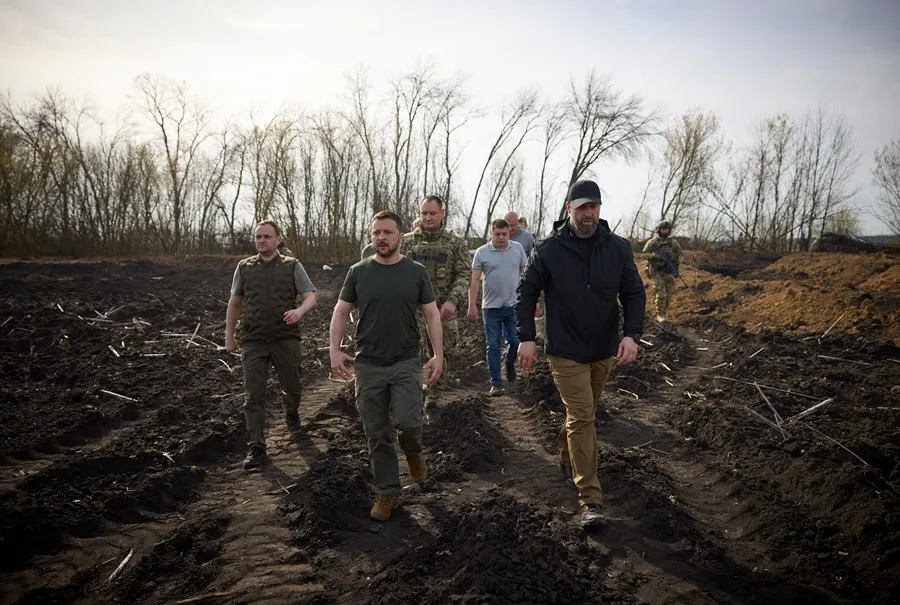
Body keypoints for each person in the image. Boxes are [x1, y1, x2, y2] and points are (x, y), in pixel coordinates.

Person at [516, 179, 645, 528]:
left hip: (603, 347)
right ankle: (591, 499)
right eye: (582, 206)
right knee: (584, 415)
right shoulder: (548, 249)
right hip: (565, 348)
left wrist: (631, 335)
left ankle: (566, 452)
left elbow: (634, 292)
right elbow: (526, 293)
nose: (588, 213)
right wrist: (526, 337)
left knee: (581, 414)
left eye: (594, 207)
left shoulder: (617, 248)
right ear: (568, 207)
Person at [330, 210, 444, 521]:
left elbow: (431, 314)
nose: (381, 238)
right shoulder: (358, 272)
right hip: (368, 364)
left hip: (405, 360)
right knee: (376, 433)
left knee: (408, 422)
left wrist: (438, 354)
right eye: (376, 233)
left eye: (388, 232)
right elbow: (340, 311)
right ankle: (388, 492)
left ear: (400, 237)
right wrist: (335, 350)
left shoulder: (416, 272)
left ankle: (414, 453)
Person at [225, 220, 317, 470]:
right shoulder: (244, 268)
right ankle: (256, 446)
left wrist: (299, 311)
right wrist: (229, 336)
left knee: (292, 386)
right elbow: (235, 303)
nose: (261, 241)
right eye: (258, 237)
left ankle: (291, 411)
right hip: (253, 340)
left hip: (285, 338)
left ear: (278, 240)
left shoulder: (292, 265)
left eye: (266, 236)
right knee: (253, 395)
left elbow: (310, 297)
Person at [400, 195, 470, 424]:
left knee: (440, 355)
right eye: (424, 213)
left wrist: (453, 301)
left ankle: (432, 401)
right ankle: (412, 400)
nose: (428, 217)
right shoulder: (406, 242)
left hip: (441, 311)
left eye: (432, 213)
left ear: (442, 213)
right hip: (412, 311)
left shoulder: (455, 242)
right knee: (410, 355)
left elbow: (464, 274)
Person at [466, 218, 527, 396]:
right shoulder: (481, 252)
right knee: (492, 345)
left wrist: (532, 301)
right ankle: (496, 382)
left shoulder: (518, 249)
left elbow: (526, 275)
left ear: (509, 233)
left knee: (514, 341)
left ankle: (509, 361)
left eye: (504, 234)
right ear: (491, 233)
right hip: (490, 307)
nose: (500, 237)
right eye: (497, 234)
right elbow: (475, 280)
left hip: (513, 305)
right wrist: (472, 305)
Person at [642, 220, 683, 323]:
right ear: (659, 230)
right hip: (656, 272)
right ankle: (660, 316)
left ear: (669, 230)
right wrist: (654, 256)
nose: (665, 231)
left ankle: (663, 313)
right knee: (661, 295)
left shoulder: (673, 243)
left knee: (668, 296)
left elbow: (680, 255)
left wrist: (676, 261)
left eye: (666, 229)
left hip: (668, 272)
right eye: (663, 229)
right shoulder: (653, 242)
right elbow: (643, 255)